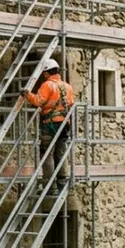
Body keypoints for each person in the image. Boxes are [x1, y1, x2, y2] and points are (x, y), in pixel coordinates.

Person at [23, 58, 75, 193]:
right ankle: (62, 185)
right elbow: (70, 105)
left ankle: (50, 187)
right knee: (60, 154)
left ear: (47, 72)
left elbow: (38, 101)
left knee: (47, 154)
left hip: (50, 125)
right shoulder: (67, 87)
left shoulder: (47, 85)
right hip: (64, 125)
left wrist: (27, 95)